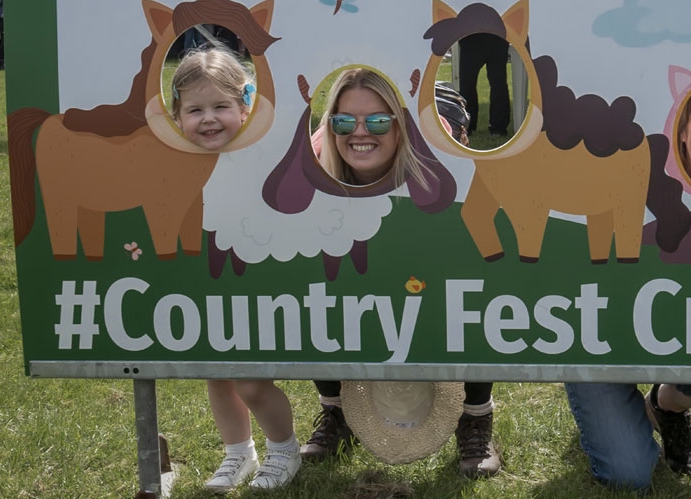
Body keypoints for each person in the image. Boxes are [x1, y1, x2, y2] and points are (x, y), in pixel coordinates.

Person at [565, 75, 691, 490]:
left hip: (686, 327)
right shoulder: (638, 174)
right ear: (682, 127)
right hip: (602, 334)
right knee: (629, 476)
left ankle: (666, 403)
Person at [298, 67, 502, 478]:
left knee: (465, 283)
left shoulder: (439, 155)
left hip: (426, 193)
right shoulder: (315, 159)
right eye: (344, 120)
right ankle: (336, 411)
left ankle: (475, 416)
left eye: (377, 120)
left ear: (401, 123)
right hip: (344, 214)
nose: (360, 132)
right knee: (316, 282)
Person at [171, 45, 302, 492]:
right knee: (217, 373)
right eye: (195, 110)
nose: (208, 118)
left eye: (220, 107)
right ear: (176, 116)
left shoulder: (257, 153)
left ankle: (285, 450)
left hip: (252, 279)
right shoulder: (176, 159)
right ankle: (238, 454)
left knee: (250, 379)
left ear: (244, 108)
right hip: (207, 278)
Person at [457, 33, 511, 136]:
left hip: (493, 36)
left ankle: (498, 128)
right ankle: (467, 125)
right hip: (474, 37)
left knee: (498, 84)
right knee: (467, 84)